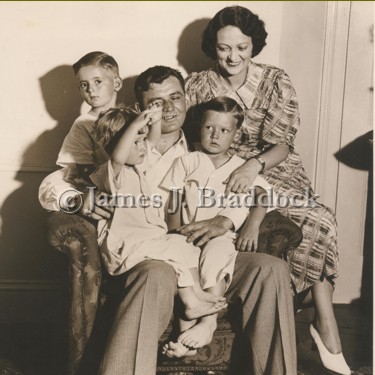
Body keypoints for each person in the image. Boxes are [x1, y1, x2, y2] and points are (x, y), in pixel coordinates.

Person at [39, 65, 297, 375]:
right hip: (149, 250)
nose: (169, 108)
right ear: (142, 110)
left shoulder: (206, 135)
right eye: (157, 103)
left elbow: (257, 191)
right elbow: (52, 185)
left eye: (176, 97)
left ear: (187, 99)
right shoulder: (125, 142)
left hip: (207, 249)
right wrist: (78, 200)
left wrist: (227, 220)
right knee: (156, 273)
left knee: (272, 269)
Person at [184, 5, 350, 375]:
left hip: (271, 167)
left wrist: (253, 164)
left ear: (253, 45)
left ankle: (325, 324)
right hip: (221, 168)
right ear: (213, 46)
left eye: (242, 48)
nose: (233, 57)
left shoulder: (275, 80)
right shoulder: (197, 84)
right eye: (225, 48)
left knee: (319, 219)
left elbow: (284, 144)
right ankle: (308, 326)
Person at [89, 106, 226, 320]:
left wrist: (155, 120)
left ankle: (196, 293)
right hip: (126, 246)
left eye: (141, 140)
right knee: (175, 248)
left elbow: (151, 141)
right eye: (135, 142)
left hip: (149, 239)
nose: (142, 147)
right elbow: (117, 158)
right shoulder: (111, 174)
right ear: (115, 146)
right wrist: (135, 126)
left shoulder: (138, 168)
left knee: (183, 244)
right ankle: (191, 303)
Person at [160, 96, 272, 352]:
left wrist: (253, 225)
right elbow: (174, 201)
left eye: (224, 130)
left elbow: (263, 196)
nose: (215, 135)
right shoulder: (186, 161)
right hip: (186, 233)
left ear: (236, 134)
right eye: (209, 127)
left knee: (217, 253)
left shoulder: (241, 168)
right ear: (200, 126)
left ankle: (208, 322)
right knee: (180, 266)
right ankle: (184, 339)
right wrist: (176, 232)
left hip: (220, 237)